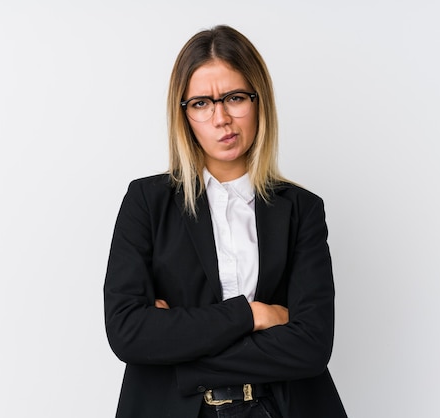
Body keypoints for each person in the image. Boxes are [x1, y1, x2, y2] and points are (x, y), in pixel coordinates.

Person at [104, 25, 347, 418]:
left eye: (234, 98)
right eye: (201, 103)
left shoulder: (301, 209)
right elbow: (129, 333)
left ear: (259, 100)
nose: (221, 118)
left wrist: (180, 351)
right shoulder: (147, 202)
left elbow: (311, 346)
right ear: (183, 113)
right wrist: (254, 315)